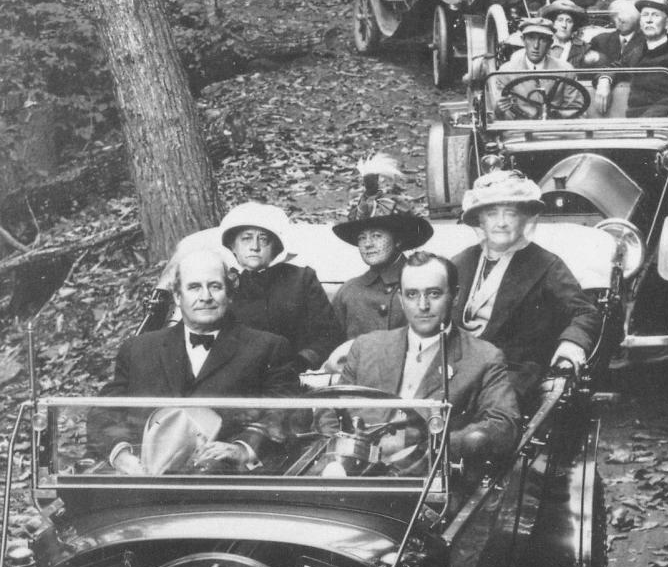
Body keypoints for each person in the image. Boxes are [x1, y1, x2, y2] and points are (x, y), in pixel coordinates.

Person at [87, 236, 294, 471]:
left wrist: (242, 448)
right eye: (194, 287)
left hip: (227, 483)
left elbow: (284, 411)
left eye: (215, 286)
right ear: (177, 296)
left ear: (229, 294)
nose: (205, 297)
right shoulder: (137, 350)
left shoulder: (268, 348)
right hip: (144, 481)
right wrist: (122, 454)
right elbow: (104, 412)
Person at [338, 250, 521, 466]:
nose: (422, 305)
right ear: (401, 299)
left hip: (430, 479)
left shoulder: (485, 357)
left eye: (434, 294)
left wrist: (428, 449)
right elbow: (330, 413)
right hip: (352, 476)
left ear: (455, 296)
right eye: (412, 294)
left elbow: (502, 426)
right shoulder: (366, 347)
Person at [453, 170, 600, 404]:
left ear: (524, 218)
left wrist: (570, 347)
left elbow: (584, 312)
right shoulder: (461, 262)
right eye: (492, 214)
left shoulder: (545, 264)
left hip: (513, 372)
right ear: (480, 220)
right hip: (456, 368)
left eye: (510, 214)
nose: (501, 223)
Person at [218, 201, 342, 371]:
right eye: (246, 238)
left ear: (276, 246)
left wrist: (302, 361)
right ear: (233, 245)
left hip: (293, 376)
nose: (255, 247)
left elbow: (329, 334)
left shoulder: (302, 279)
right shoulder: (222, 284)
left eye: (263, 239)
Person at [330, 158, 434, 341]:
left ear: (398, 240)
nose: (368, 243)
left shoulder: (424, 282)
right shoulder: (349, 292)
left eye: (377, 236)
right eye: (362, 237)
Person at [500, 16, 571, 73]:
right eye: (531, 38)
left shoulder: (565, 71)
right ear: (523, 40)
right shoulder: (506, 72)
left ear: (550, 43)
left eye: (543, 39)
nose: (536, 46)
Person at [541, 0, 587, 66]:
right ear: (552, 23)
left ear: (574, 25)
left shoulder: (583, 48)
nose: (564, 25)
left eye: (569, 21)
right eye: (560, 20)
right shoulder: (541, 45)